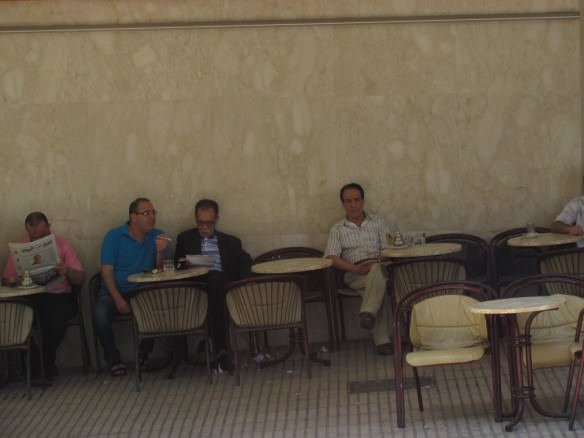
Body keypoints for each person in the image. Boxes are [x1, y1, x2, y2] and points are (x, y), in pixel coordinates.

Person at [2, 211, 85, 379]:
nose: (37, 240)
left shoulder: (62, 245)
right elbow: (6, 280)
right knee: (16, 317)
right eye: (33, 238)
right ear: (27, 231)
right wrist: (14, 280)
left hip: (57, 295)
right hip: (29, 297)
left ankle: (41, 361)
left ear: (49, 227)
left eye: (42, 236)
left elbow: (81, 278)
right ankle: (39, 363)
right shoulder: (20, 249)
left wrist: (66, 271)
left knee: (53, 320)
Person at [93, 198, 170, 376]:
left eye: (153, 213)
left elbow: (161, 273)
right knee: (100, 312)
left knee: (157, 304)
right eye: (146, 214)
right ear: (133, 217)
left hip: (142, 291)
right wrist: (118, 300)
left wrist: (160, 252)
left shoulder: (158, 236)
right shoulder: (114, 236)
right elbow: (106, 272)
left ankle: (144, 354)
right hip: (115, 291)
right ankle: (114, 359)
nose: (152, 218)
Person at [174, 198, 252, 370]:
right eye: (200, 223)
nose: (205, 227)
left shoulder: (230, 242)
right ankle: (222, 349)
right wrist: (197, 260)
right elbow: (177, 264)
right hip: (199, 285)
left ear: (216, 220)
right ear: (196, 220)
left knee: (217, 283)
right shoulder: (186, 239)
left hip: (224, 284)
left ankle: (213, 341)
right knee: (214, 285)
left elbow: (245, 263)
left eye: (209, 223)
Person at [324, 183, 393, 355]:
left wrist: (376, 261)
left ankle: (369, 315)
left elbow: (389, 249)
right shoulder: (337, 228)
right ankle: (380, 337)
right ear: (343, 204)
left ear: (363, 201)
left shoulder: (378, 222)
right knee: (378, 286)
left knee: (376, 275)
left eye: (356, 200)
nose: (353, 205)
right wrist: (355, 268)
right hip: (354, 273)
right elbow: (331, 257)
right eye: (348, 201)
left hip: (379, 265)